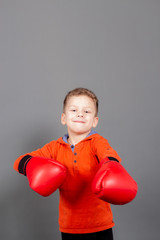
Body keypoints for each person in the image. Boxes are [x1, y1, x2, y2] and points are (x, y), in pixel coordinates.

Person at [13, 87, 137, 240]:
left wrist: (110, 166)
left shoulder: (96, 142)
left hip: (99, 225)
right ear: (63, 118)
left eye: (87, 111)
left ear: (95, 121)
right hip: (69, 226)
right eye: (74, 110)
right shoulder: (54, 147)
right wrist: (32, 166)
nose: (80, 114)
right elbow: (20, 161)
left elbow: (109, 156)